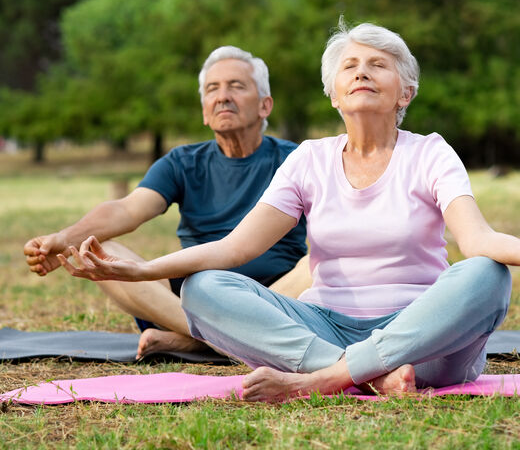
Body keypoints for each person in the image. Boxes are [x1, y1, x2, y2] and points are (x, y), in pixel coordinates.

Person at [58, 21, 516, 402]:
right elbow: (237, 248)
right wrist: (144, 271)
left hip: (424, 340)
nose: (362, 72)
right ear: (334, 94)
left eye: (379, 64)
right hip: (325, 331)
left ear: (405, 93)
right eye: (349, 66)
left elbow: (476, 241)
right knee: (202, 288)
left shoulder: (431, 154)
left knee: (487, 274)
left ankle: (327, 380)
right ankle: (368, 374)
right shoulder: (309, 159)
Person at [24, 45, 309, 359]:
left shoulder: (297, 159)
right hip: (193, 297)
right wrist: (64, 239)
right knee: (97, 249)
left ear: (265, 105)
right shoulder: (182, 162)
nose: (222, 96)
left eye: (236, 86)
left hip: (277, 294)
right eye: (212, 89)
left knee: (317, 265)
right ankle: (224, 339)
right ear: (204, 110)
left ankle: (195, 341)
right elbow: (128, 209)